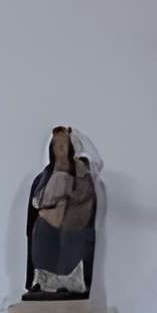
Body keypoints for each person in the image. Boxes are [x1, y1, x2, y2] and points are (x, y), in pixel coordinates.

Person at [24, 126, 99, 299]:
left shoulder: (80, 174)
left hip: (71, 232)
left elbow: (84, 201)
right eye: (56, 144)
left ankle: (69, 281)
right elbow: (37, 202)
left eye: (64, 144)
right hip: (46, 233)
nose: (60, 148)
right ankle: (44, 280)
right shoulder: (45, 176)